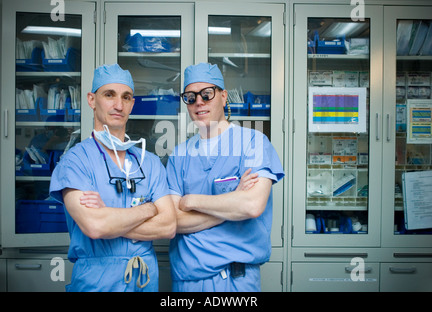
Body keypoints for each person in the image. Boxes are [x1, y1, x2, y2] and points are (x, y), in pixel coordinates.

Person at [49, 63, 176, 292]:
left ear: (132, 104)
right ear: (91, 100)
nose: (119, 105)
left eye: (126, 97)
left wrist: (109, 217)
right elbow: (95, 226)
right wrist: (149, 209)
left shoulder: (150, 162)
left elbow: (168, 226)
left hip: (144, 280)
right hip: (96, 281)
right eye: (109, 95)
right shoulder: (76, 162)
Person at [166, 62, 284, 292]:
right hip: (187, 282)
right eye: (190, 97)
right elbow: (172, 221)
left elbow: (251, 205)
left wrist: (191, 201)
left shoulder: (253, 143)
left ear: (223, 96)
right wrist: (231, 204)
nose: (199, 102)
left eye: (207, 94)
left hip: (236, 281)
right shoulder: (179, 154)